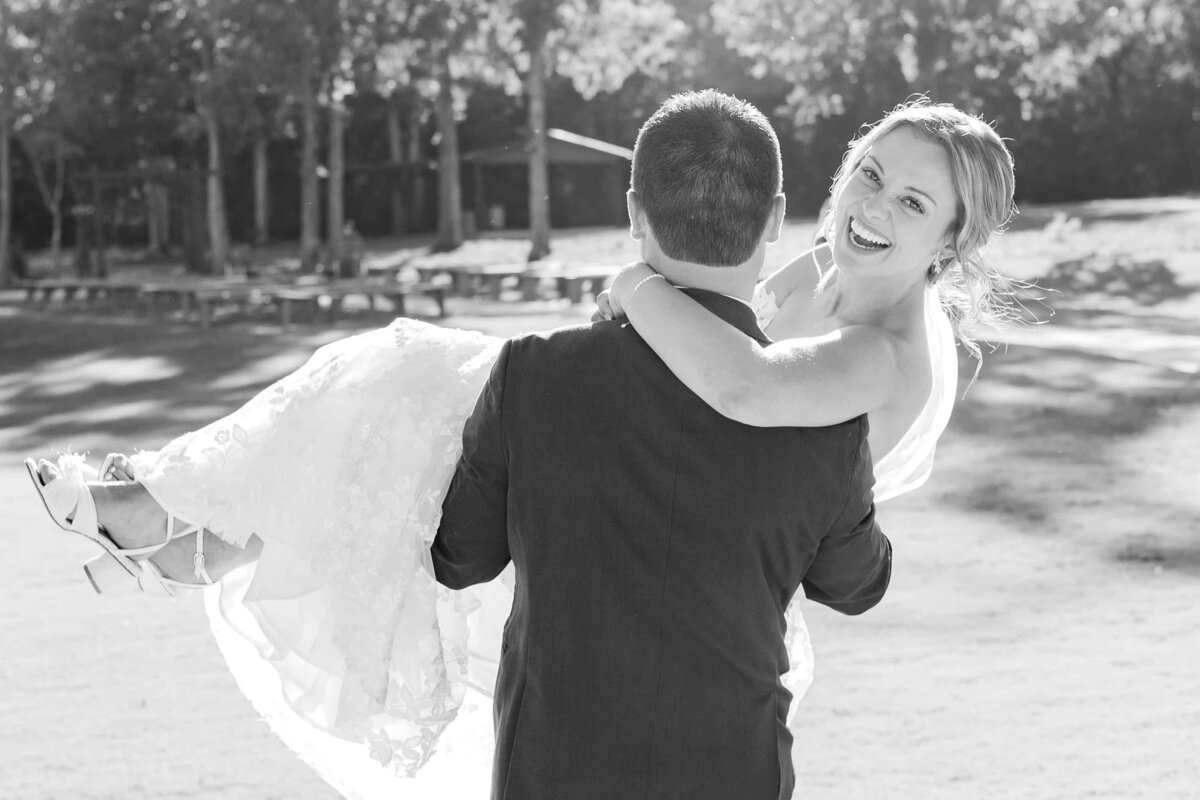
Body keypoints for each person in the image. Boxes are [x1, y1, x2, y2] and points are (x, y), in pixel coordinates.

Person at [22, 93, 1016, 797]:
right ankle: (188, 525)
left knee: (403, 371)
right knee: (391, 394)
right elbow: (739, 317)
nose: (873, 205)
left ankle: (180, 530)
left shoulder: (886, 355)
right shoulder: (832, 272)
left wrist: (634, 286)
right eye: (870, 173)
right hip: (673, 526)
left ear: (950, 244)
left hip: (695, 547)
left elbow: (740, 382)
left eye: (911, 202)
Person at [429, 89, 890, 799]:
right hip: (733, 776)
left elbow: (459, 557)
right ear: (774, 217)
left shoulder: (531, 373)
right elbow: (855, 584)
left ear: (634, 210)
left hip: (551, 775)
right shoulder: (824, 410)